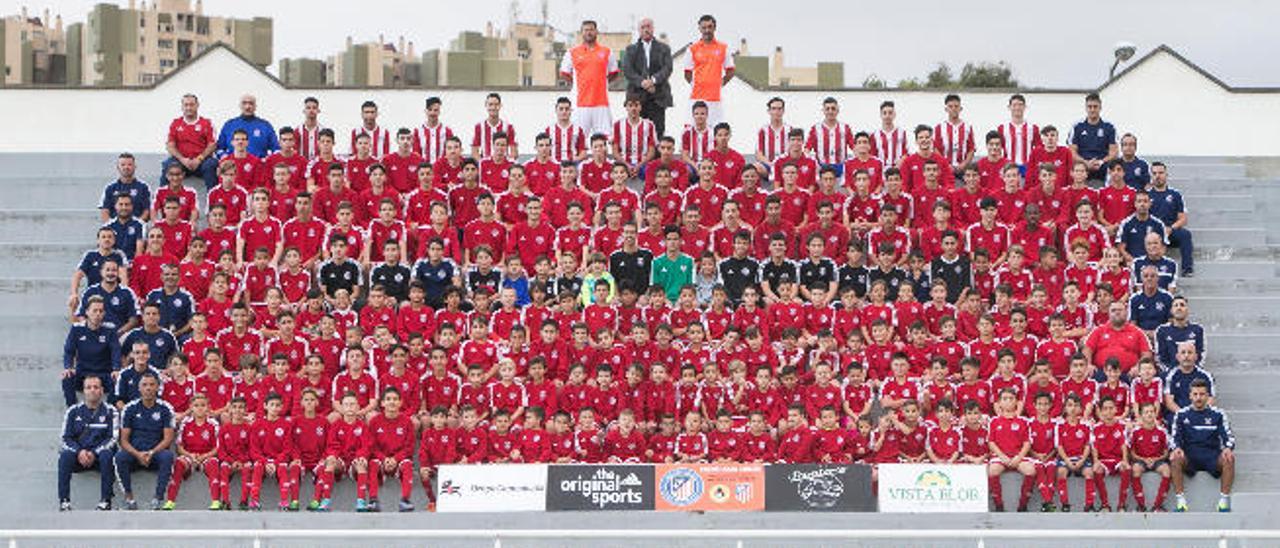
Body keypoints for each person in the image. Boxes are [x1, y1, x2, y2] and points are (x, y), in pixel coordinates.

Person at [1171, 379, 1236, 512]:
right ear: (1190, 396)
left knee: (1229, 458)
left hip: (1212, 456)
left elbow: (1228, 436)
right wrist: (1176, 448)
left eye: (1202, 394)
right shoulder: (1181, 415)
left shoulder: (1218, 414)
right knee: (1175, 457)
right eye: (1195, 394)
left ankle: (1223, 502)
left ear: (1207, 396)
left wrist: (1228, 448)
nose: (1198, 398)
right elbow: (1174, 437)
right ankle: (1181, 502)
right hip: (1190, 456)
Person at [114, 372, 176, 510]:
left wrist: (152, 452)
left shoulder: (166, 408)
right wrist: (138, 454)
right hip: (134, 453)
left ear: (157, 387)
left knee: (168, 457)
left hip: (156, 453)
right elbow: (123, 441)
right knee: (119, 457)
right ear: (139, 388)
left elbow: (168, 438)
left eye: (152, 385)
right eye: (144, 385)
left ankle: (158, 498)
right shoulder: (129, 408)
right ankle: (129, 498)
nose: (148, 388)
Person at [57, 376, 118, 511]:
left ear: (102, 391)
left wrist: (94, 452)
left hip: (99, 457)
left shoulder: (110, 411)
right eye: (88, 387)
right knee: (65, 456)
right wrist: (80, 452)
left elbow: (112, 438)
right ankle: (64, 501)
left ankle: (105, 501)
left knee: (107, 454)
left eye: (96, 387)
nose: (92, 390)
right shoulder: (73, 411)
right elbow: (65, 437)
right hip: (79, 456)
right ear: (84, 391)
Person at [560, 20, 619, 137]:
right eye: (586, 30)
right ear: (581, 33)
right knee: (578, 138)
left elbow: (614, 73)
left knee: (604, 138)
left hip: (601, 103)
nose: (589, 32)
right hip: (580, 103)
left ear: (596, 32)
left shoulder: (607, 52)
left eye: (591, 29)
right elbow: (564, 73)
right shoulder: (572, 52)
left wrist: (602, 83)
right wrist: (579, 83)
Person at [62, 296, 122, 407]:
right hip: (83, 373)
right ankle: (73, 409)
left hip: (103, 373)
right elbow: (69, 350)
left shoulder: (110, 330)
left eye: (101, 311)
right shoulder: (77, 329)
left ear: (104, 313)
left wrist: (116, 368)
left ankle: (109, 410)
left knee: (118, 379)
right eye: (94, 310)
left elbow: (116, 350)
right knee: (67, 377)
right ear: (87, 312)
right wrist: (68, 366)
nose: (98, 314)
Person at [623, 17, 673, 138]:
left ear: (653, 29)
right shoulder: (630, 50)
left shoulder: (664, 49)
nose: (646, 30)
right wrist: (642, 82)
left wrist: (653, 81)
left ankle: (657, 157)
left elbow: (667, 68)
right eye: (643, 27)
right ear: (639, 30)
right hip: (637, 98)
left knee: (658, 132)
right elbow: (628, 70)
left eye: (648, 27)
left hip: (658, 96)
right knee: (638, 133)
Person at [683, 14, 734, 126]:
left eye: (710, 27)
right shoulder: (692, 49)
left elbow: (730, 71)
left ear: (714, 28)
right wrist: (694, 84)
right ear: (699, 29)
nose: (707, 30)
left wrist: (720, 83)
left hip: (715, 99)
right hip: (697, 97)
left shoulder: (723, 48)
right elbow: (687, 72)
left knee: (717, 132)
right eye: (704, 27)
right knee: (691, 129)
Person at [1147, 162, 1194, 276]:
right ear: (1151, 176)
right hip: (1151, 232)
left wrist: (1171, 228)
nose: (1158, 176)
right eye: (1154, 173)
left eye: (1161, 173)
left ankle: (1187, 269)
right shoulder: (1146, 195)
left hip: (1170, 230)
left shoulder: (1175, 194)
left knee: (1185, 234)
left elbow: (1183, 219)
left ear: (1166, 175)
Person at [163, 94, 219, 189]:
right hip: (182, 162)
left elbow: (212, 145)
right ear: (182, 107)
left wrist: (199, 159)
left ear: (197, 105)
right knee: (167, 165)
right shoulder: (176, 123)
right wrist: (182, 159)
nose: (189, 108)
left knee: (211, 165)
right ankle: (163, 199)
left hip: (202, 162)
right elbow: (170, 146)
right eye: (186, 105)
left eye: (192, 105)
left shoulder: (207, 123)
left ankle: (213, 200)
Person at [1084, 301, 1152, 373]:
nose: (1117, 312)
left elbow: (1147, 353)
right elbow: (1087, 349)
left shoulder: (1137, 332)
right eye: (1113, 310)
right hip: (1102, 373)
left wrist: (1139, 367)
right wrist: (1088, 364)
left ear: (1126, 312)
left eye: (1120, 310)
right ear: (1108, 314)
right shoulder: (1098, 330)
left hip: (1129, 374)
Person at [1069, 92, 1118, 181]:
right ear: (1086, 108)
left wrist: (1101, 162)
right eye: (1089, 106)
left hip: (1103, 170)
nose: (1092, 109)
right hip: (1082, 170)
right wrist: (1086, 163)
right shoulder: (1077, 127)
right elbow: (1072, 152)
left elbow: (1114, 153)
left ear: (1100, 108)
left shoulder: (1109, 127)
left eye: (1095, 106)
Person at [216, 94, 277, 158]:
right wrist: (226, 158)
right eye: (244, 103)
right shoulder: (229, 125)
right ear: (240, 106)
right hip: (233, 165)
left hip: (258, 164)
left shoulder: (265, 126)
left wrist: (268, 160)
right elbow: (219, 148)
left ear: (255, 106)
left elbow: (276, 149)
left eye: (251, 103)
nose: (247, 107)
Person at [100, 153, 151, 223]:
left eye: (129, 164)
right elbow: (105, 211)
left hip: (137, 229)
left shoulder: (144, 187)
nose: (126, 167)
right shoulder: (110, 188)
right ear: (118, 167)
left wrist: (138, 224)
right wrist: (111, 226)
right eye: (123, 165)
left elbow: (147, 210)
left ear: (135, 167)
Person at [934, 94, 975, 180]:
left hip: (963, 169)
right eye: (950, 106)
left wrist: (964, 164)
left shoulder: (967, 127)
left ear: (960, 108)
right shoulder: (939, 127)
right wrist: (946, 165)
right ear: (946, 109)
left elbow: (971, 149)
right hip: (945, 168)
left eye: (956, 106)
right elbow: (936, 150)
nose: (953, 109)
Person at [996, 94, 1041, 172]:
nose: (1017, 108)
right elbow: (998, 149)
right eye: (1014, 105)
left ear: (1025, 107)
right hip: (1009, 168)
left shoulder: (1033, 128)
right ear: (1009, 107)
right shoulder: (1002, 128)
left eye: (1020, 105)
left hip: (1028, 167)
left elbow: (1039, 149)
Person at [413, 97, 455, 164]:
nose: (432, 113)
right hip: (424, 170)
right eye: (430, 110)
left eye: (435, 110)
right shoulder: (418, 131)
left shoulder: (447, 130)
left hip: (441, 168)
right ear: (425, 111)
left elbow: (451, 151)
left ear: (439, 112)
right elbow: (416, 153)